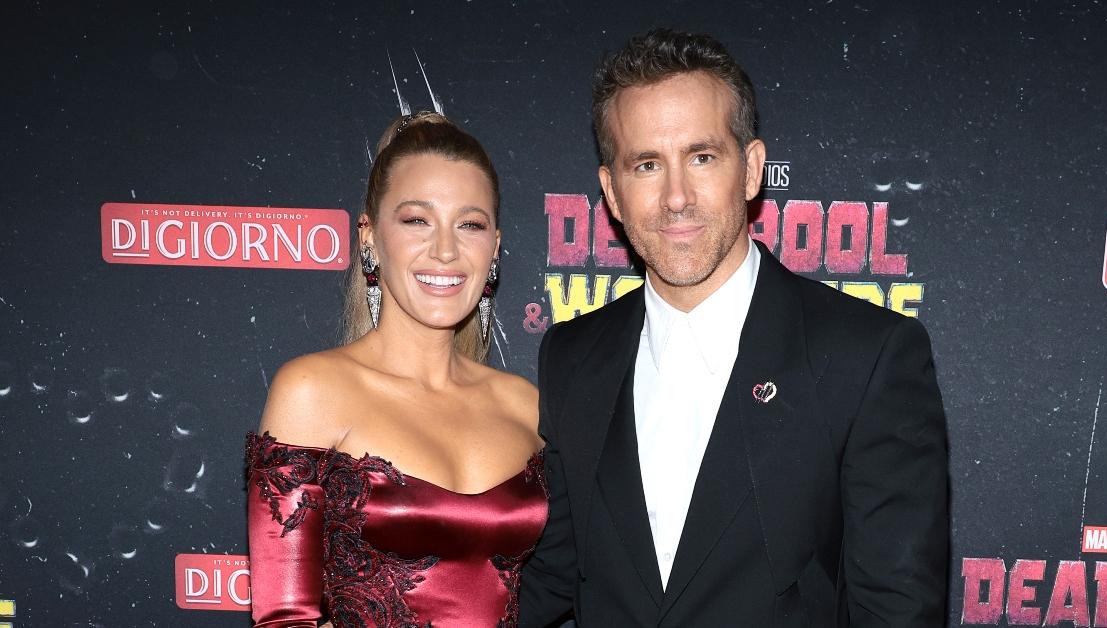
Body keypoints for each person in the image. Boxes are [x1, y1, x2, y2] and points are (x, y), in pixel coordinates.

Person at [520, 29, 949, 627]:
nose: (675, 197)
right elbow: (551, 572)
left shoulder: (865, 357)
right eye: (646, 165)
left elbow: (896, 611)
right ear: (612, 193)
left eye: (701, 157)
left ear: (750, 170)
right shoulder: (571, 355)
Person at [245, 112, 545, 628]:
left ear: (495, 249)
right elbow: (283, 620)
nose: (446, 250)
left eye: (470, 224)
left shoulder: (527, 404)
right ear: (369, 236)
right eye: (416, 220)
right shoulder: (313, 391)